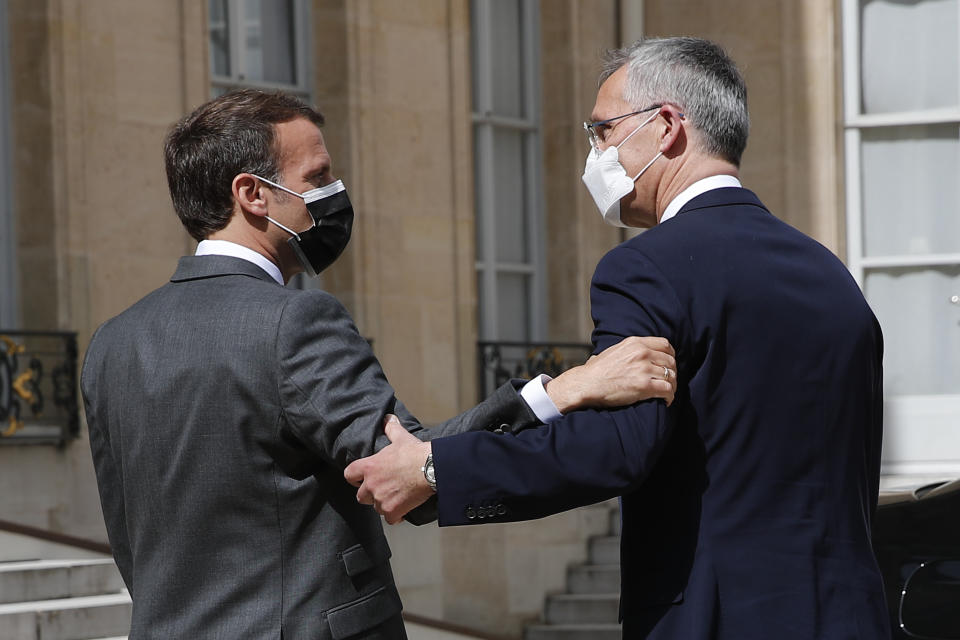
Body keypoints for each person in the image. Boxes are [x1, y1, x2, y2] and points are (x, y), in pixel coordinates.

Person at [79, 89, 677, 640]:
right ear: (252, 194)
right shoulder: (295, 322)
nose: (334, 193)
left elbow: (129, 540)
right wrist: (566, 390)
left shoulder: (110, 343)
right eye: (317, 178)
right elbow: (407, 470)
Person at [345, 37, 890, 639]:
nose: (595, 154)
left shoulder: (646, 266)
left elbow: (612, 450)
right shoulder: (831, 276)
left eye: (603, 131)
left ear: (665, 126)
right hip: (850, 613)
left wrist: (435, 469)